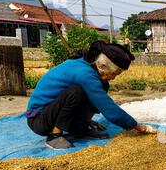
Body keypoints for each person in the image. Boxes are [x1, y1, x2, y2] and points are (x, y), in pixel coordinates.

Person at [26, 41, 156, 150]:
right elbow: (106, 106)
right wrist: (136, 126)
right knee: (77, 92)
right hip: (39, 119)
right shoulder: (84, 74)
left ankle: (82, 127)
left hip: (55, 112)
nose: (114, 77)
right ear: (102, 65)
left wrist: (87, 120)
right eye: (114, 73)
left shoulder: (89, 65)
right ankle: (54, 137)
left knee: (102, 85)